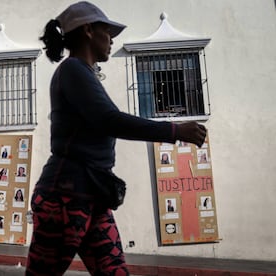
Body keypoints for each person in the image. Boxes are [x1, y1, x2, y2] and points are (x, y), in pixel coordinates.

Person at [26, 2, 207, 275]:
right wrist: (175, 131)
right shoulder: (73, 69)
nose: (112, 40)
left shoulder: (83, 73)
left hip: (93, 196)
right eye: (107, 32)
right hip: (64, 200)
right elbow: (109, 119)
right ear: (88, 30)